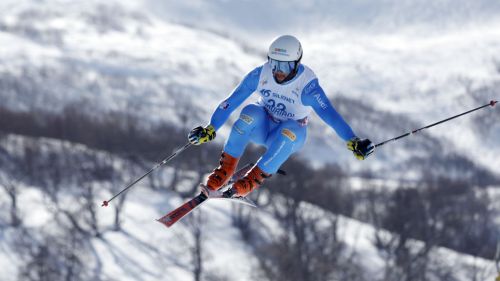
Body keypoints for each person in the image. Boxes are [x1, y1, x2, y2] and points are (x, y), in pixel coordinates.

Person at [187, 35, 374, 198]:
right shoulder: (261, 74)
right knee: (250, 112)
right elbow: (231, 101)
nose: (278, 70)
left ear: (296, 63)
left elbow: (331, 116)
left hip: (287, 136)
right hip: (262, 127)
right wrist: (210, 128)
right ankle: (225, 169)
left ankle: (251, 180)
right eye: (274, 63)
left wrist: (353, 140)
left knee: (290, 131)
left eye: (284, 66)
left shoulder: (308, 87)